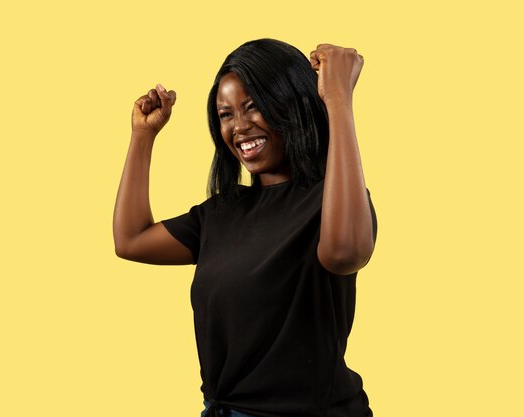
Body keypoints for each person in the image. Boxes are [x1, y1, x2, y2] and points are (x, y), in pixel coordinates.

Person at [113, 39, 377, 417]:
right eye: (225, 114)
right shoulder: (222, 211)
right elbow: (131, 240)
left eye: (254, 107)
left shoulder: (333, 200)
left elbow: (345, 253)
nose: (239, 126)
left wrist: (337, 100)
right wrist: (143, 136)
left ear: (293, 104)